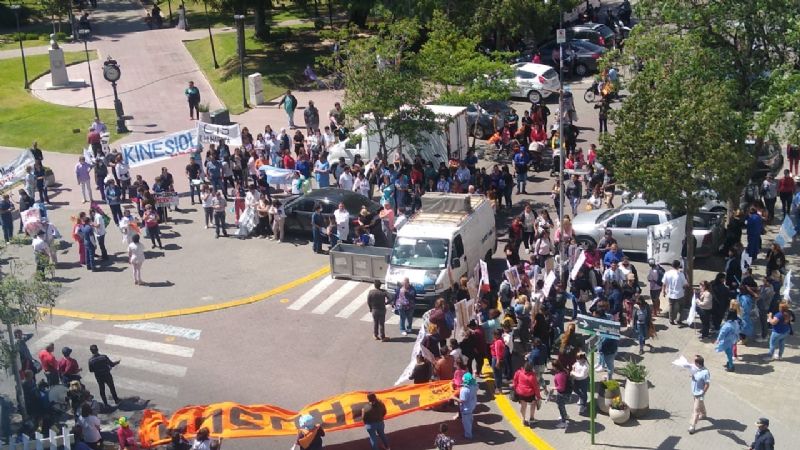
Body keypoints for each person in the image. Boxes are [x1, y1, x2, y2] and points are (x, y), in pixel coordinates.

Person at [513, 362, 542, 427]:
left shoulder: (519, 372)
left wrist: (515, 388)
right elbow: (536, 388)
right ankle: (531, 418)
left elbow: (515, 380)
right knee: (533, 404)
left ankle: (523, 419)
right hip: (530, 394)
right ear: (531, 369)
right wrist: (538, 397)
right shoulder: (532, 376)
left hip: (520, 392)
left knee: (523, 406)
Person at [662, 260, 689, 326]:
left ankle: (671, 320)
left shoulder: (667, 273)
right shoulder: (680, 274)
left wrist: (663, 291)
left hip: (670, 293)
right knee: (681, 307)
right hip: (680, 294)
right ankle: (679, 320)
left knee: (671, 306)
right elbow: (685, 284)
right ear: (679, 266)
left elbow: (664, 283)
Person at [687, 355, 710, 435]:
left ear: (698, 363)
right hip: (694, 392)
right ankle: (703, 414)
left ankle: (692, 426)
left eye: (694, 361)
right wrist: (692, 375)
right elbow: (694, 375)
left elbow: (707, 384)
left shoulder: (705, 372)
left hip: (699, 393)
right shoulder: (695, 369)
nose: (693, 363)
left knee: (695, 410)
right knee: (700, 404)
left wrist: (702, 393)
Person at [459, 372, 478, 440]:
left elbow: (462, 401)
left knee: (466, 422)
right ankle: (471, 428)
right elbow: (474, 381)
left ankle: (468, 435)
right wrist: (474, 374)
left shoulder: (464, 390)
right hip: (472, 406)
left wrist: (453, 397)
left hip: (466, 408)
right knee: (470, 418)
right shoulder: (475, 386)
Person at [552, 360, 570, 429]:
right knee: (562, 406)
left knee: (560, 407)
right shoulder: (564, 371)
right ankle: (565, 415)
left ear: (555, 367)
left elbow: (561, 388)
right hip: (567, 392)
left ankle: (563, 422)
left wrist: (553, 388)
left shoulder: (559, 375)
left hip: (562, 394)